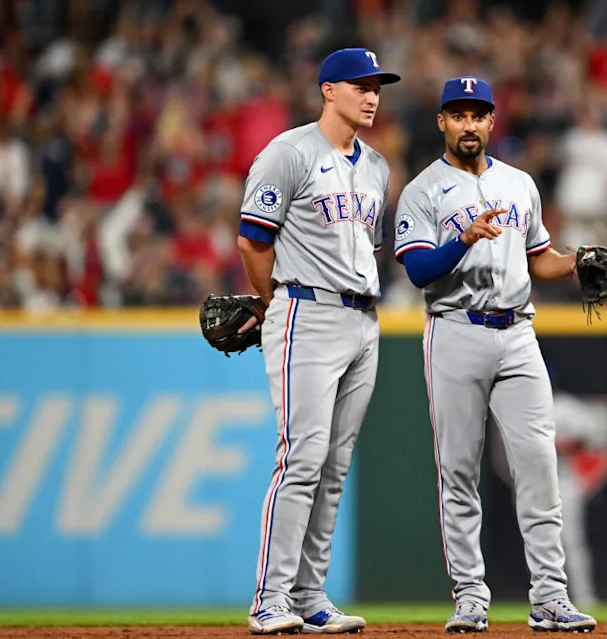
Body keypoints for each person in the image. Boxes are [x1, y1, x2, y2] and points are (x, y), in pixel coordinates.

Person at [392, 76, 598, 633]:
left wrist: (577, 261)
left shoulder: (520, 184)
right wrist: (462, 239)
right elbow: (417, 271)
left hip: (518, 333)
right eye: (457, 115)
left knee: (539, 464)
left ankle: (550, 597)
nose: (468, 124)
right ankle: (470, 598)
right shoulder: (422, 191)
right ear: (442, 122)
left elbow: (541, 260)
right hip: (455, 329)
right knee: (458, 470)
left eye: (477, 115)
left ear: (490, 121)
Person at [237, 48, 399, 635]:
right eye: (360, 84)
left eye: (377, 86)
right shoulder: (289, 152)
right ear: (329, 90)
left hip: (363, 320)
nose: (372, 95)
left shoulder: (377, 167)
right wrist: (272, 301)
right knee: (302, 459)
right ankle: (269, 598)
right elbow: (253, 240)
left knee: (333, 466)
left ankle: (309, 596)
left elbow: (367, 249)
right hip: (306, 310)